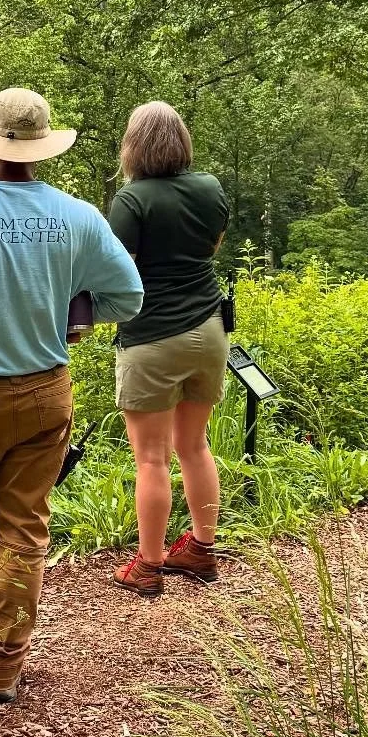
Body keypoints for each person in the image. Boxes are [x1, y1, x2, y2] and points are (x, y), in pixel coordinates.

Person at [0, 87, 143, 704]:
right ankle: (2, 671)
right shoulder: (77, 216)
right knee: (23, 531)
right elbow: (129, 296)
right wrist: (76, 319)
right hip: (45, 392)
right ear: (42, 147)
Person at [105, 101, 231, 597]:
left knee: (151, 459)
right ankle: (201, 550)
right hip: (208, 328)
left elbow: (119, 270)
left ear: (133, 145)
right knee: (195, 445)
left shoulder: (131, 200)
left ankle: (149, 566)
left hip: (151, 335)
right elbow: (212, 246)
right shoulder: (210, 188)